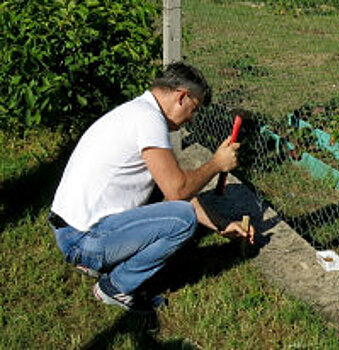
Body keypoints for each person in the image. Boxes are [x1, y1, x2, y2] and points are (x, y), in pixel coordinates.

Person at [49, 62, 255, 313]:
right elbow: (178, 192)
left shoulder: (137, 112)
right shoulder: (149, 121)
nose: (191, 118)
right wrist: (216, 164)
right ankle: (115, 286)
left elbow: (176, 189)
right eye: (194, 109)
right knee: (183, 220)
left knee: (172, 201)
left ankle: (101, 261)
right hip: (82, 240)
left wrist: (221, 224)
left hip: (70, 230)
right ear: (182, 97)